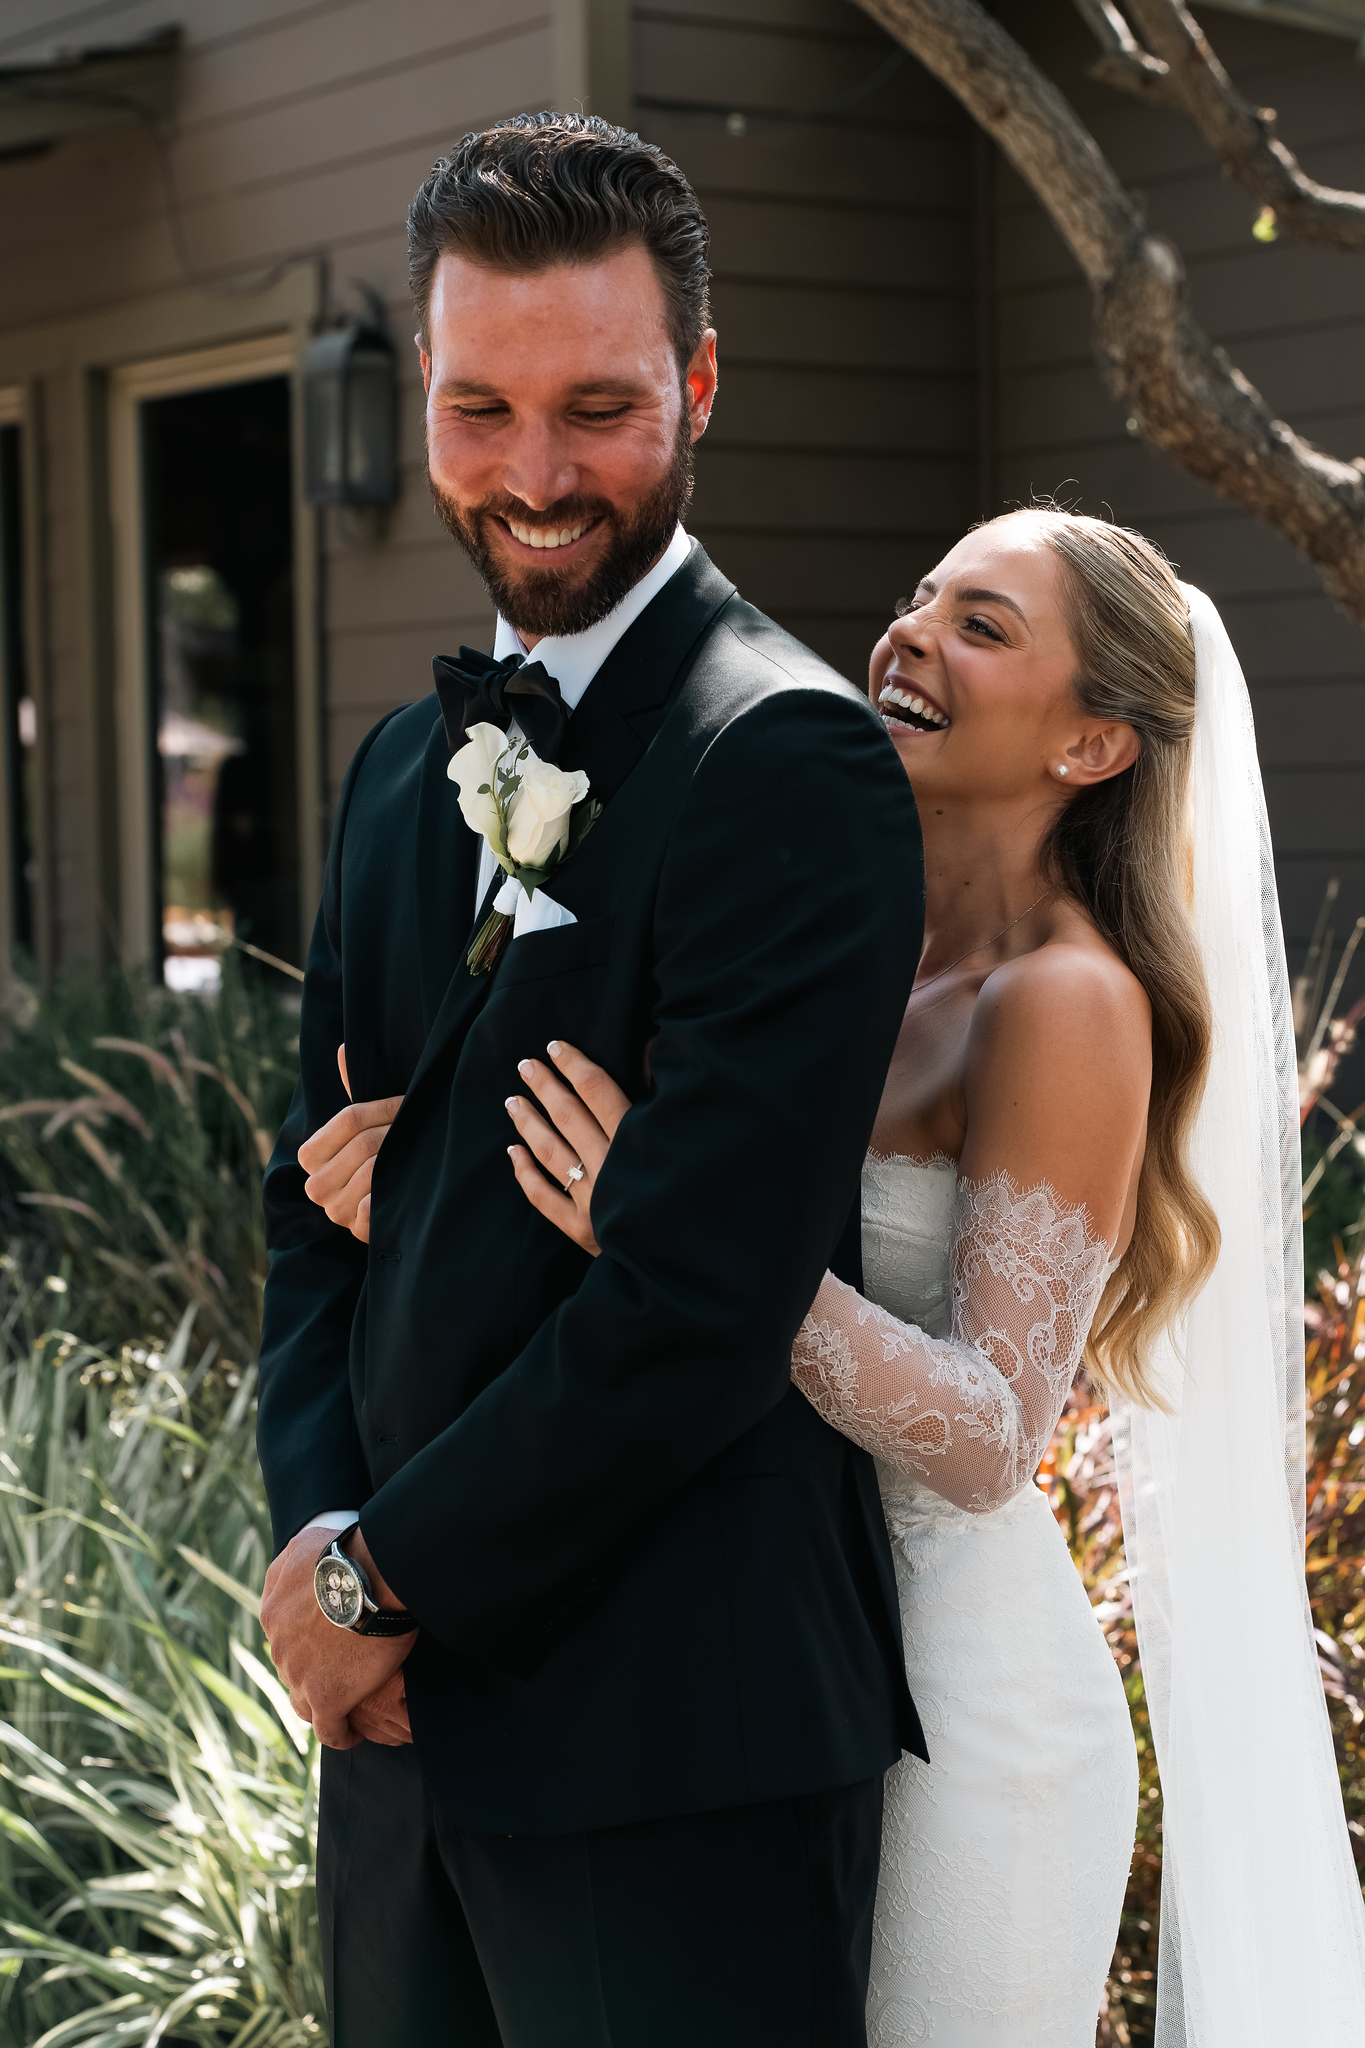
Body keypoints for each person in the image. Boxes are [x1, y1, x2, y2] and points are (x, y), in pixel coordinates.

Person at [500, 507, 1365, 2045]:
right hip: (773, 1670)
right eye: (918, 599)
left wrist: (688, 1235)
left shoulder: (1065, 1002)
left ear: (1093, 746)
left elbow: (985, 1437)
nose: (907, 634)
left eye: (982, 625)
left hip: (971, 1728)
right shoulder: (835, 940)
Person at [256, 113, 929, 2047]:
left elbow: (698, 1307)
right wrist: (321, 1563)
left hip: (674, 1755)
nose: (535, 479)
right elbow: (313, 1223)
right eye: (479, 410)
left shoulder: (786, 762)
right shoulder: (400, 768)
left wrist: (389, 1575)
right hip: (395, 1748)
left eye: (601, 410)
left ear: (700, 383)